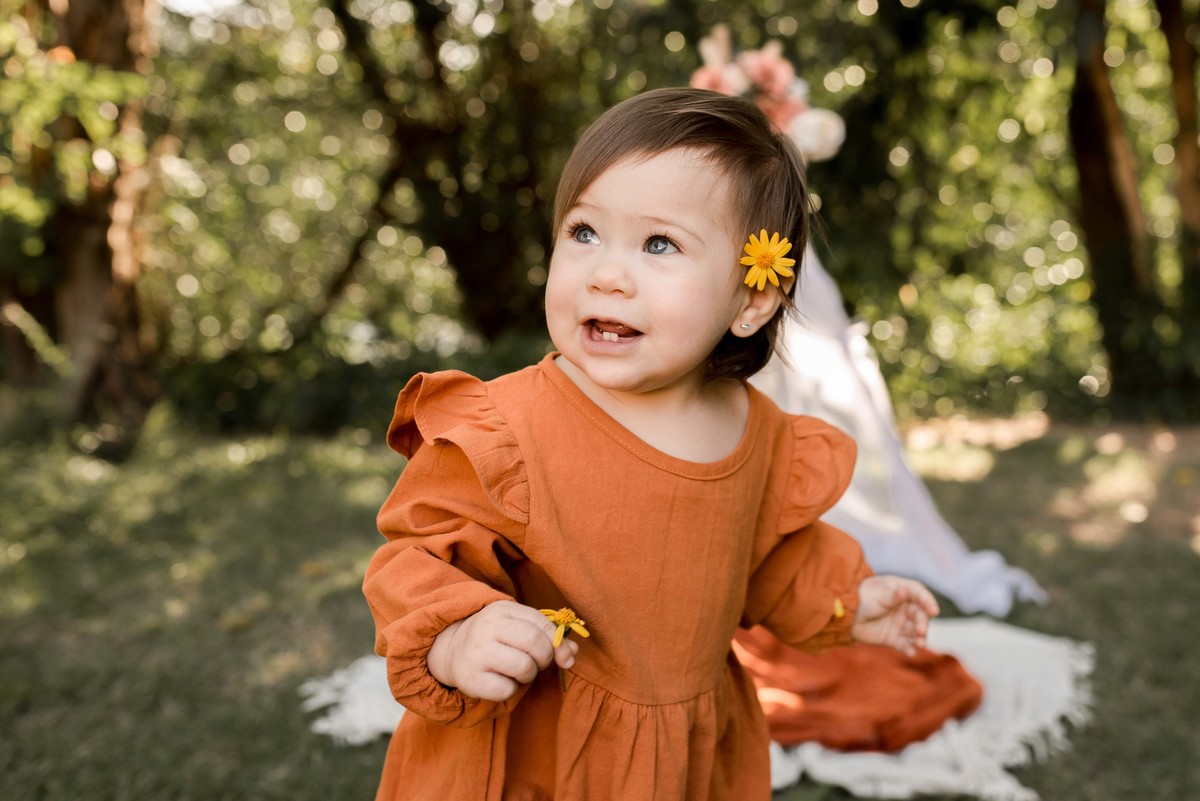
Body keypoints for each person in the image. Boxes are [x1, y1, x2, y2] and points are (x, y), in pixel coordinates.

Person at [363, 87, 939, 801]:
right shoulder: (507, 430)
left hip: (681, 755)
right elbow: (417, 557)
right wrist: (458, 635)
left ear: (751, 298)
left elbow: (773, 560)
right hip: (536, 753)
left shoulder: (759, 435)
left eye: (659, 243)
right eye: (583, 232)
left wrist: (852, 599)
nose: (606, 273)